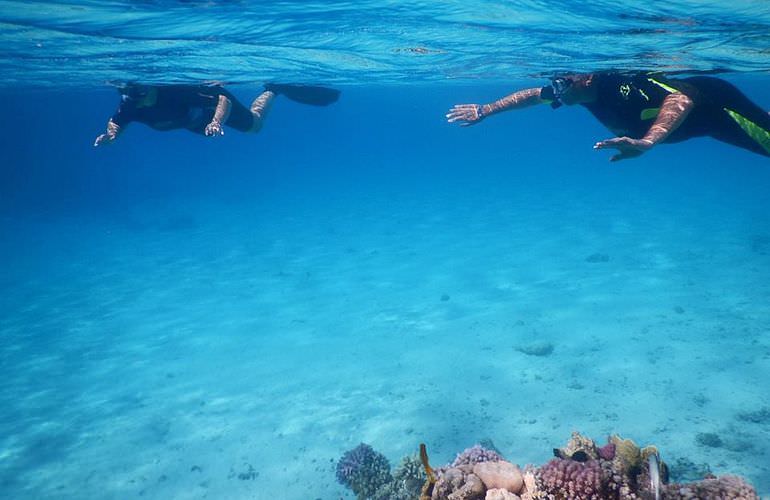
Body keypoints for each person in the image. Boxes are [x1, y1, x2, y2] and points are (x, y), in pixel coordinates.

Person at [446, 71, 770, 161]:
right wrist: (486, 110)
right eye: (554, 82)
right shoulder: (574, 92)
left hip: (715, 106)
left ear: (587, 77)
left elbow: (681, 98)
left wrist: (647, 142)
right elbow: (534, 96)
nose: (556, 90)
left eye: (563, 82)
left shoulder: (623, 85)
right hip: (698, 126)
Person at [94, 83, 339, 146]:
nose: (133, 97)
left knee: (255, 126)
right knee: (254, 130)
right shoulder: (130, 105)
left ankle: (273, 90)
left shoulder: (174, 91)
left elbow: (222, 99)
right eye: (126, 92)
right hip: (195, 120)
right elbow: (115, 123)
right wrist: (110, 136)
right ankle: (274, 89)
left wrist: (216, 121)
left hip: (215, 107)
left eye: (137, 91)